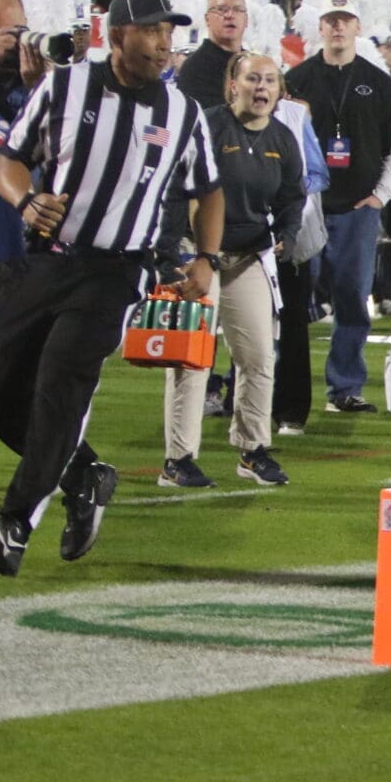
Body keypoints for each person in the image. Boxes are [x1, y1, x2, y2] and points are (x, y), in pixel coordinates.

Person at [0, 0, 223, 575]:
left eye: (168, 32)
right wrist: (26, 200)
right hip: (45, 258)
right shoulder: (63, 87)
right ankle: (85, 475)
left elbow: (209, 189)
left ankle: (15, 522)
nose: (163, 43)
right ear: (117, 36)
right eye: (151, 30)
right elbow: (10, 160)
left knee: (59, 382)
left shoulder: (182, 112)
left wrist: (207, 258)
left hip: (116, 270)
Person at [158, 53, 303, 487]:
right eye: (253, 78)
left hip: (249, 255)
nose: (262, 88)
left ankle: (253, 450)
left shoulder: (282, 137)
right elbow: (175, 187)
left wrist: (288, 233)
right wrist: (172, 253)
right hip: (199, 254)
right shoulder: (207, 126)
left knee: (259, 356)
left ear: (279, 90)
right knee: (192, 359)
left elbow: (293, 195)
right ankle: (178, 459)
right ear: (232, 86)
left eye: (270, 80)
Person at [284, 0, 391, 417]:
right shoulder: (296, 79)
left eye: (345, 19)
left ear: (357, 27)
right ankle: (284, 390)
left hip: (357, 207)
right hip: (307, 207)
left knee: (353, 298)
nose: (337, 26)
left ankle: (345, 387)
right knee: (294, 303)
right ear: (320, 27)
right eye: (331, 19)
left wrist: (380, 196)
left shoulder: (379, 82)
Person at [0, 0, 46, 326]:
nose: (8, 42)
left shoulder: (30, 90)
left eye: (17, 31)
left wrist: (41, 86)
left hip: (18, 255)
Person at [175, 0, 248, 107]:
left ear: (246, 20)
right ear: (207, 19)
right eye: (221, 9)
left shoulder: (253, 64)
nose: (230, 15)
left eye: (237, 9)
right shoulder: (194, 69)